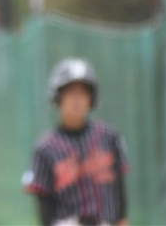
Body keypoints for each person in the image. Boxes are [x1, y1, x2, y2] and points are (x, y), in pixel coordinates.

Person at [23, 58, 129, 226]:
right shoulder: (45, 148)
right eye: (70, 92)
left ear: (91, 98)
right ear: (57, 97)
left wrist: (122, 219)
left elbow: (119, 184)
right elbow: (43, 200)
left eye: (83, 92)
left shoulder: (109, 137)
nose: (76, 100)